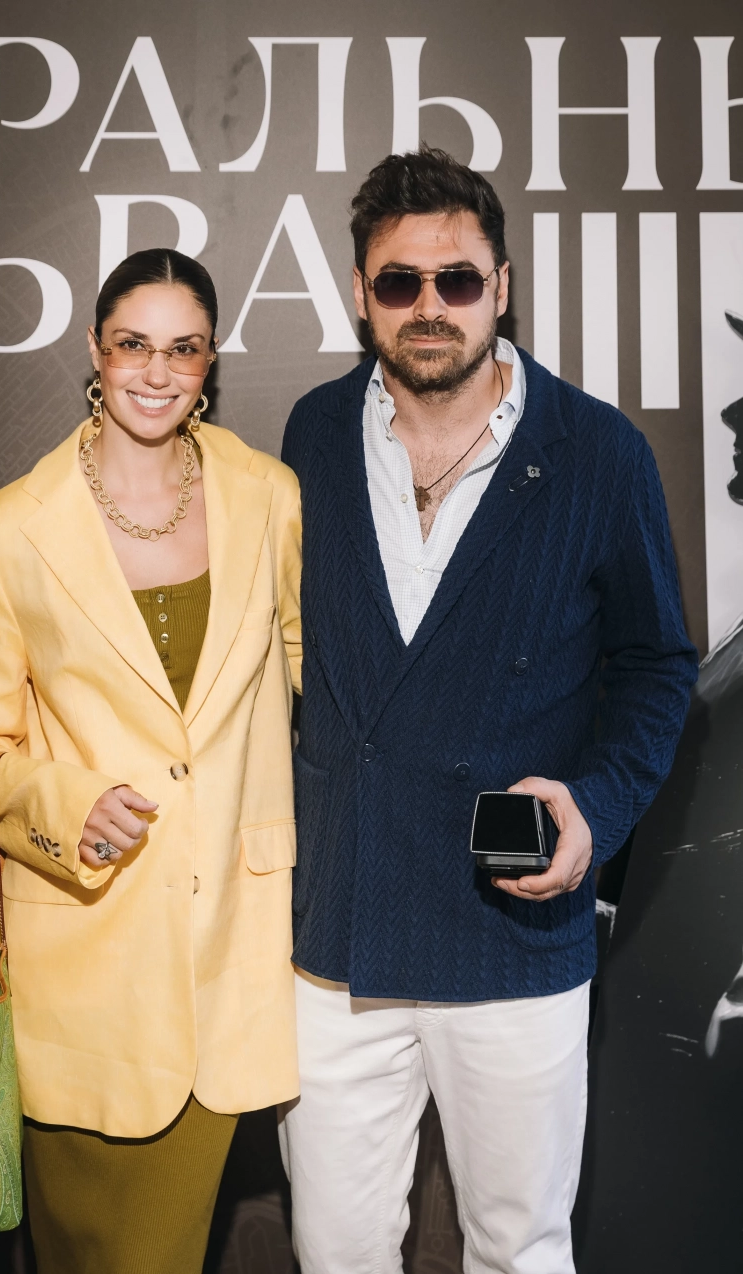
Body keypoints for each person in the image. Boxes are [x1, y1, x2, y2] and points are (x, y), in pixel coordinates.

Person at [278, 146, 699, 1274]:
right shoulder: (312, 435)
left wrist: (594, 808)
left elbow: (657, 665)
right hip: (339, 938)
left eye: (457, 279)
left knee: (519, 1249)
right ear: (360, 293)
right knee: (335, 1253)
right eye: (398, 281)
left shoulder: (598, 451)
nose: (430, 306)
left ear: (501, 286)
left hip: (513, 933)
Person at [0, 248, 302, 1273]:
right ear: (96, 350)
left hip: (227, 958)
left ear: (211, 361)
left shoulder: (269, 498)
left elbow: (325, 680)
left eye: (184, 348)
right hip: (82, 975)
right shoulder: (6, 533)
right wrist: (63, 802)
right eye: (135, 343)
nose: (157, 371)